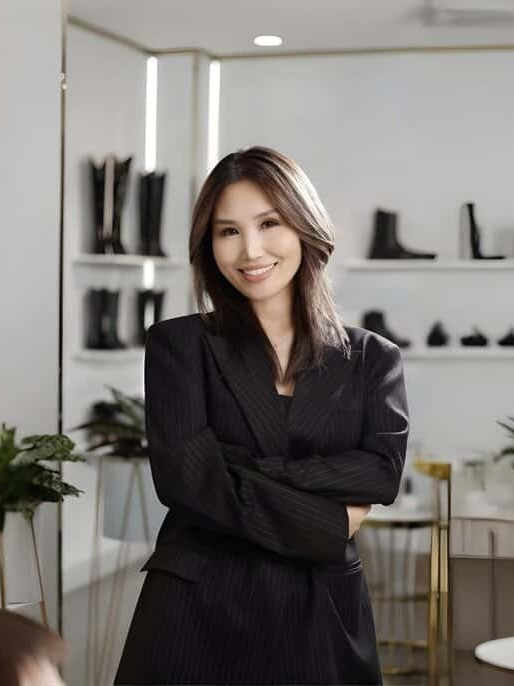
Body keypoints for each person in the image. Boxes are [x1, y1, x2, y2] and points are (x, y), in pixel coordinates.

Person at [114, 146, 410, 685]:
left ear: (305, 225)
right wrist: (329, 520)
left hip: (319, 608)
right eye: (227, 231)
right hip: (197, 610)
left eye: (268, 223)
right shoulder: (180, 344)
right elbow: (187, 482)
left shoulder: (373, 359)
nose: (249, 250)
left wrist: (254, 468)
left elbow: (380, 474)